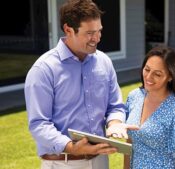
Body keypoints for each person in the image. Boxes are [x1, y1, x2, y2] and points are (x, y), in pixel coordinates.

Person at [24, 0, 138, 168]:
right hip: (62, 163)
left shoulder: (104, 62)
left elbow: (115, 106)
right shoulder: (44, 69)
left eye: (99, 31)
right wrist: (72, 147)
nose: (97, 38)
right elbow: (39, 124)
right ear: (68, 30)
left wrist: (114, 123)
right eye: (90, 33)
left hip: (100, 161)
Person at [124, 46, 175, 169]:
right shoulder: (134, 97)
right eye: (147, 69)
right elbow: (129, 143)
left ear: (170, 77)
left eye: (157, 74)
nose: (148, 77)